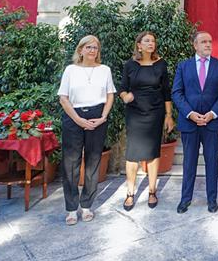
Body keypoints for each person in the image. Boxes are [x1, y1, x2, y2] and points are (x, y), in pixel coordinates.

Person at [57, 35, 115, 225]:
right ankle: (72, 209)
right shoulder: (70, 70)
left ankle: (87, 205)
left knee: (93, 162)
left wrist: (103, 117)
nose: (92, 50)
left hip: (98, 116)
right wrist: (79, 120)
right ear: (80, 50)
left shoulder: (104, 70)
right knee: (71, 164)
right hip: (74, 116)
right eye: (88, 47)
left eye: (95, 47)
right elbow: (63, 98)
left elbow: (110, 95)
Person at [172, 31, 218, 213]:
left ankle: (212, 199)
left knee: (212, 162)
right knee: (189, 162)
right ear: (195, 45)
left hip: (211, 123)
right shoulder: (184, 66)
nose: (208, 44)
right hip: (190, 123)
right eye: (203, 42)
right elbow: (177, 92)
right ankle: (185, 199)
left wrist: (213, 113)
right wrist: (190, 113)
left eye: (209, 41)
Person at [118, 32, 174, 211]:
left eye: (153, 41)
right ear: (139, 45)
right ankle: (130, 192)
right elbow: (122, 88)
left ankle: (152, 191)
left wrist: (168, 115)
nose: (151, 43)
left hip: (155, 113)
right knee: (132, 154)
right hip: (135, 113)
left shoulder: (161, 65)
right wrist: (125, 96)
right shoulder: (130, 65)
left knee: (152, 152)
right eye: (147, 41)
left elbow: (166, 91)